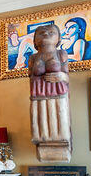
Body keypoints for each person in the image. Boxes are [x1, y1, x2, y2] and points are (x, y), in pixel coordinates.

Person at [29, 23, 71, 161]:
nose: (46, 34)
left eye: (51, 32)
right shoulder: (33, 58)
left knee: (58, 125)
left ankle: (61, 142)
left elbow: (66, 76)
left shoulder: (61, 53)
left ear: (58, 39)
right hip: (38, 97)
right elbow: (31, 75)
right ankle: (43, 142)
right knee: (40, 127)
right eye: (41, 32)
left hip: (58, 96)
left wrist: (61, 76)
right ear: (35, 41)